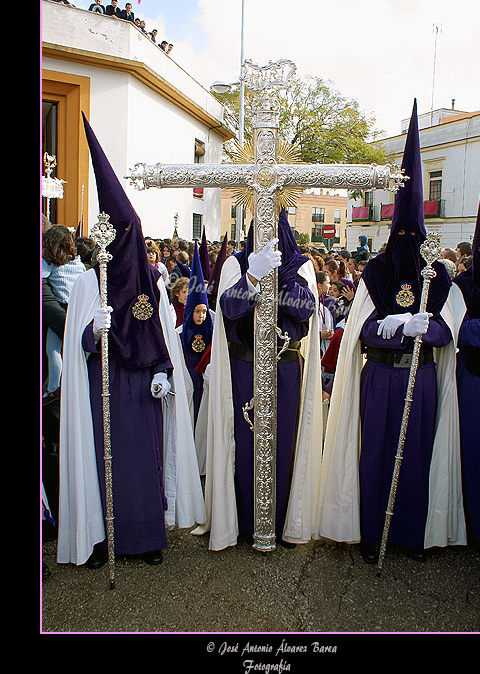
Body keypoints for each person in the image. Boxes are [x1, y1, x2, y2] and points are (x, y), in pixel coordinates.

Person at [317, 99, 467, 563]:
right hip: (380, 377)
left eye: (412, 232)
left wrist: (430, 326)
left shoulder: (437, 274)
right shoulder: (376, 272)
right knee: (377, 455)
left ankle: (410, 536)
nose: (405, 240)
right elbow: (360, 331)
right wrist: (394, 325)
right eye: (398, 232)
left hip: (419, 379)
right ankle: (368, 534)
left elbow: (449, 332)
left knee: (417, 454)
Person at [57, 114, 205, 570]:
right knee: (104, 462)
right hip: (102, 389)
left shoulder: (153, 285)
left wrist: (163, 375)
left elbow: (163, 337)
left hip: (142, 390)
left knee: (142, 464)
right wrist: (93, 331)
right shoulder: (87, 285)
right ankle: (103, 539)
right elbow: (79, 344)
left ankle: (145, 538)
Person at [192, 208, 324, 550]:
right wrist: (252, 277)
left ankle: (280, 521)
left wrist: (282, 277)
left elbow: (305, 309)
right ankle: (244, 521)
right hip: (244, 367)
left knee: (282, 443)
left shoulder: (300, 266)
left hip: (285, 367)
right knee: (245, 444)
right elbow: (229, 310)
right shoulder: (236, 264)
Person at [452, 146, 480, 544]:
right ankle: (478, 530)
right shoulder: (466, 283)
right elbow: (458, 329)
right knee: (476, 455)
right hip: (477, 381)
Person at [42, 225, 86, 405]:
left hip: (60, 307)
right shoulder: (78, 262)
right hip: (78, 310)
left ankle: (53, 388)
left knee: (53, 351)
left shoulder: (50, 262)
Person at [178, 244, 213, 427]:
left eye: (204, 312)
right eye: (197, 312)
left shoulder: (211, 331)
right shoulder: (180, 334)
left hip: (205, 380)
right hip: (187, 380)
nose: (201, 316)